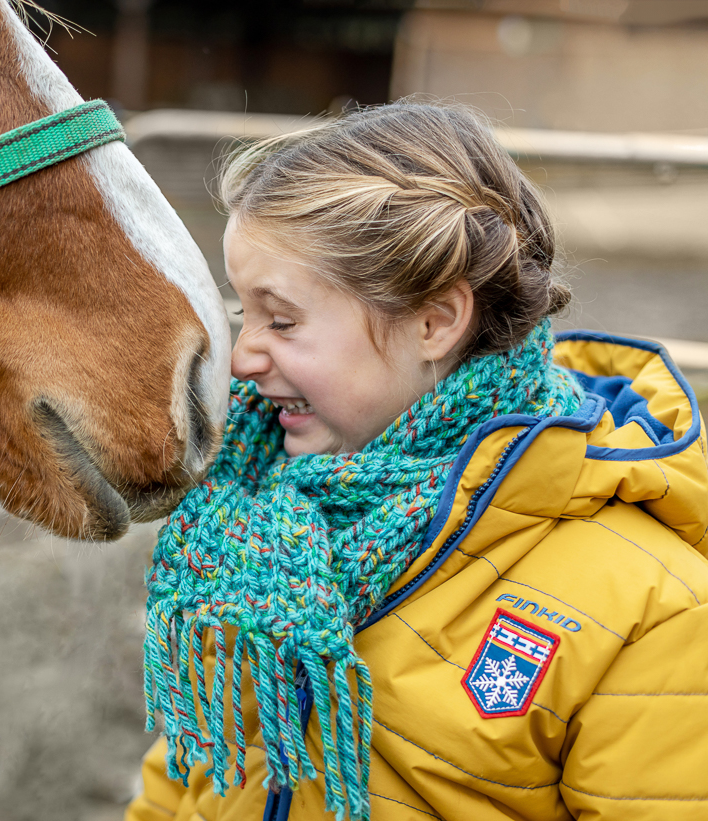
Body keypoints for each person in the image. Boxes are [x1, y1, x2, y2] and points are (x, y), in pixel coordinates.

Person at [124, 101, 708, 821]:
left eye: (282, 320)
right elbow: (194, 769)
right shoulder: (248, 527)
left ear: (433, 322)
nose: (243, 358)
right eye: (243, 314)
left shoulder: (653, 611)